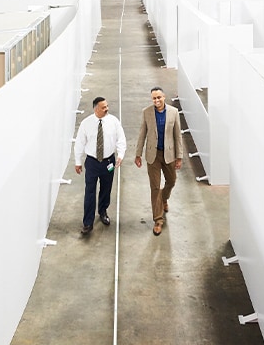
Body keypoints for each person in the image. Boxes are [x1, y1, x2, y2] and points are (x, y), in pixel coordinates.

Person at [134, 86, 183, 236]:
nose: (156, 100)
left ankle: (164, 198)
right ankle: (158, 220)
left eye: (159, 97)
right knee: (155, 187)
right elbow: (142, 134)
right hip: (152, 155)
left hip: (169, 154)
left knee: (171, 181)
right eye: (154, 98)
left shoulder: (174, 112)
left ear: (164, 97)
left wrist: (179, 157)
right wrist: (138, 154)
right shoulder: (147, 112)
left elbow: (177, 136)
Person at [74, 96, 126, 235]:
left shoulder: (113, 121)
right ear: (96, 109)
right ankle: (88, 222)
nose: (107, 109)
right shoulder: (86, 123)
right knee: (89, 191)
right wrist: (78, 161)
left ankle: (103, 211)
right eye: (103, 107)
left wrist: (120, 155)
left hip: (108, 161)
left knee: (106, 188)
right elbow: (79, 142)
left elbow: (121, 138)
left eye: (107, 106)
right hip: (92, 162)